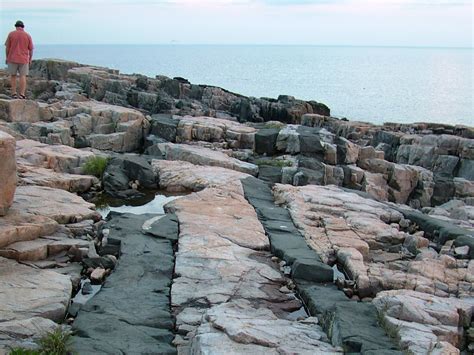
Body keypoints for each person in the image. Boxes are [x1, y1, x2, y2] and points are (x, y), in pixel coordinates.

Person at [4, 20, 34, 99]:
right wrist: (30, 59)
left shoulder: (11, 34)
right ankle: (22, 94)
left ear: (16, 26)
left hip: (12, 58)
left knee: (13, 76)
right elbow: (31, 49)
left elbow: (7, 47)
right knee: (23, 76)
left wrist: (7, 57)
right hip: (23, 59)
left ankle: (13, 93)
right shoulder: (27, 35)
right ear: (23, 27)